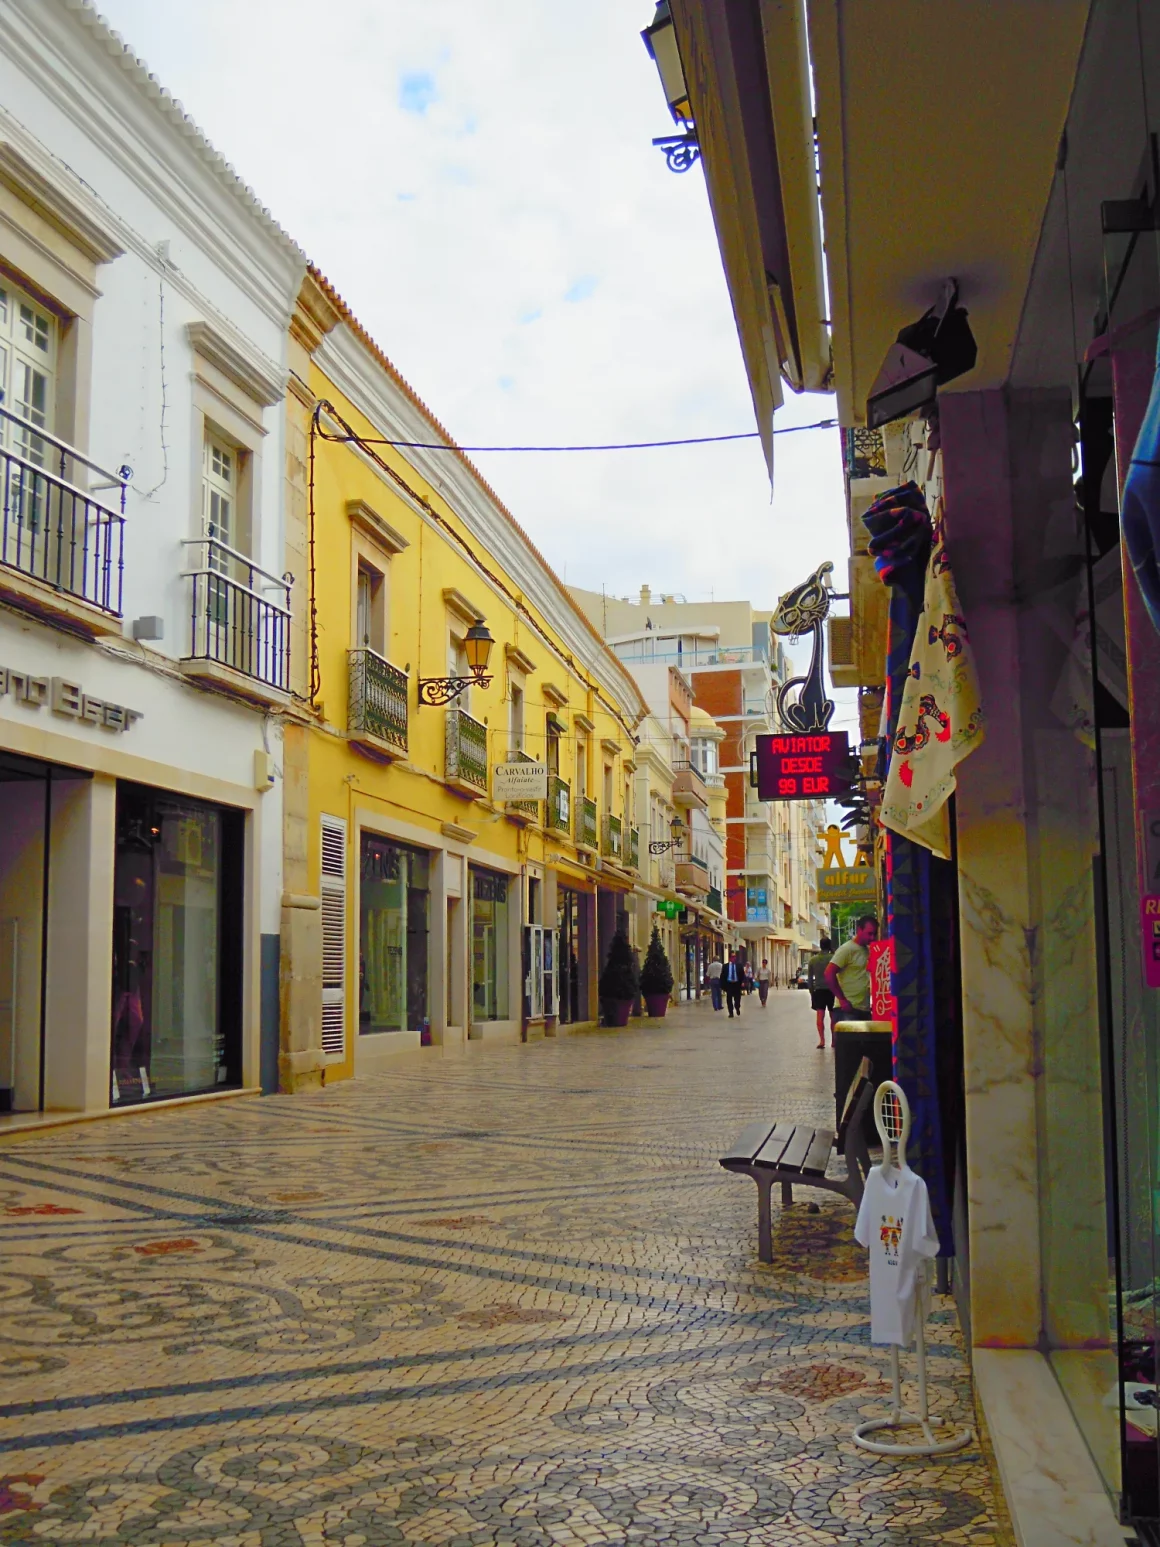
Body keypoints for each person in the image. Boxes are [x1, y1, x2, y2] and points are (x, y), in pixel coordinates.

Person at [824, 917, 879, 1023]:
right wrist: (842, 1000)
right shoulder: (847, 949)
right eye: (869, 933)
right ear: (859, 930)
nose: (872, 937)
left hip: (864, 1009)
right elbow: (829, 973)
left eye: (874, 934)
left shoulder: (869, 951)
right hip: (847, 1010)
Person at [807, 936, 836, 1047]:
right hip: (832, 990)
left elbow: (810, 979)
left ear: (820, 945)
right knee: (833, 1016)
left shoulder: (813, 960)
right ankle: (833, 1041)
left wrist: (811, 992)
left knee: (820, 1016)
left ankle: (822, 1040)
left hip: (818, 991)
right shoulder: (833, 958)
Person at [722, 950, 744, 1018]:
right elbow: (722, 976)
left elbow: (742, 975)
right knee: (729, 999)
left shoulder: (739, 965)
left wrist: (743, 982)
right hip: (729, 984)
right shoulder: (725, 966)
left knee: (737, 998)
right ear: (729, 958)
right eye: (732, 957)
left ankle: (737, 1007)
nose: (734, 958)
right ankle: (731, 1012)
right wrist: (723, 986)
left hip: (737, 984)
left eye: (735, 956)